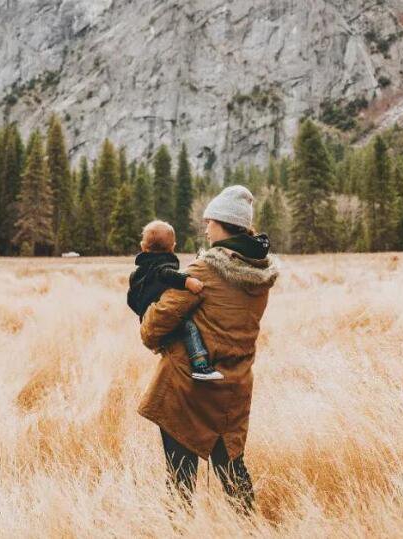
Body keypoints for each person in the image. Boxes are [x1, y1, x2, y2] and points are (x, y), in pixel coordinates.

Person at [137, 185, 278, 513]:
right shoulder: (259, 272)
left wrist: (149, 319)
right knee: (232, 471)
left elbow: (155, 325)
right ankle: (248, 530)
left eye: (210, 221)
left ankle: (178, 530)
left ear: (225, 224)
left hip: (188, 388)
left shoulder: (204, 270)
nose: (205, 228)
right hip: (234, 386)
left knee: (180, 481)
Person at [127, 220, 224, 381]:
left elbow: (130, 299)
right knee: (189, 327)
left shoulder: (137, 273)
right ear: (173, 247)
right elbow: (167, 274)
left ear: (143, 247)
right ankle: (200, 365)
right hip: (159, 315)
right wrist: (188, 282)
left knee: (176, 340)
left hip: (147, 319)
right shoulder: (162, 266)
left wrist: (143, 310)